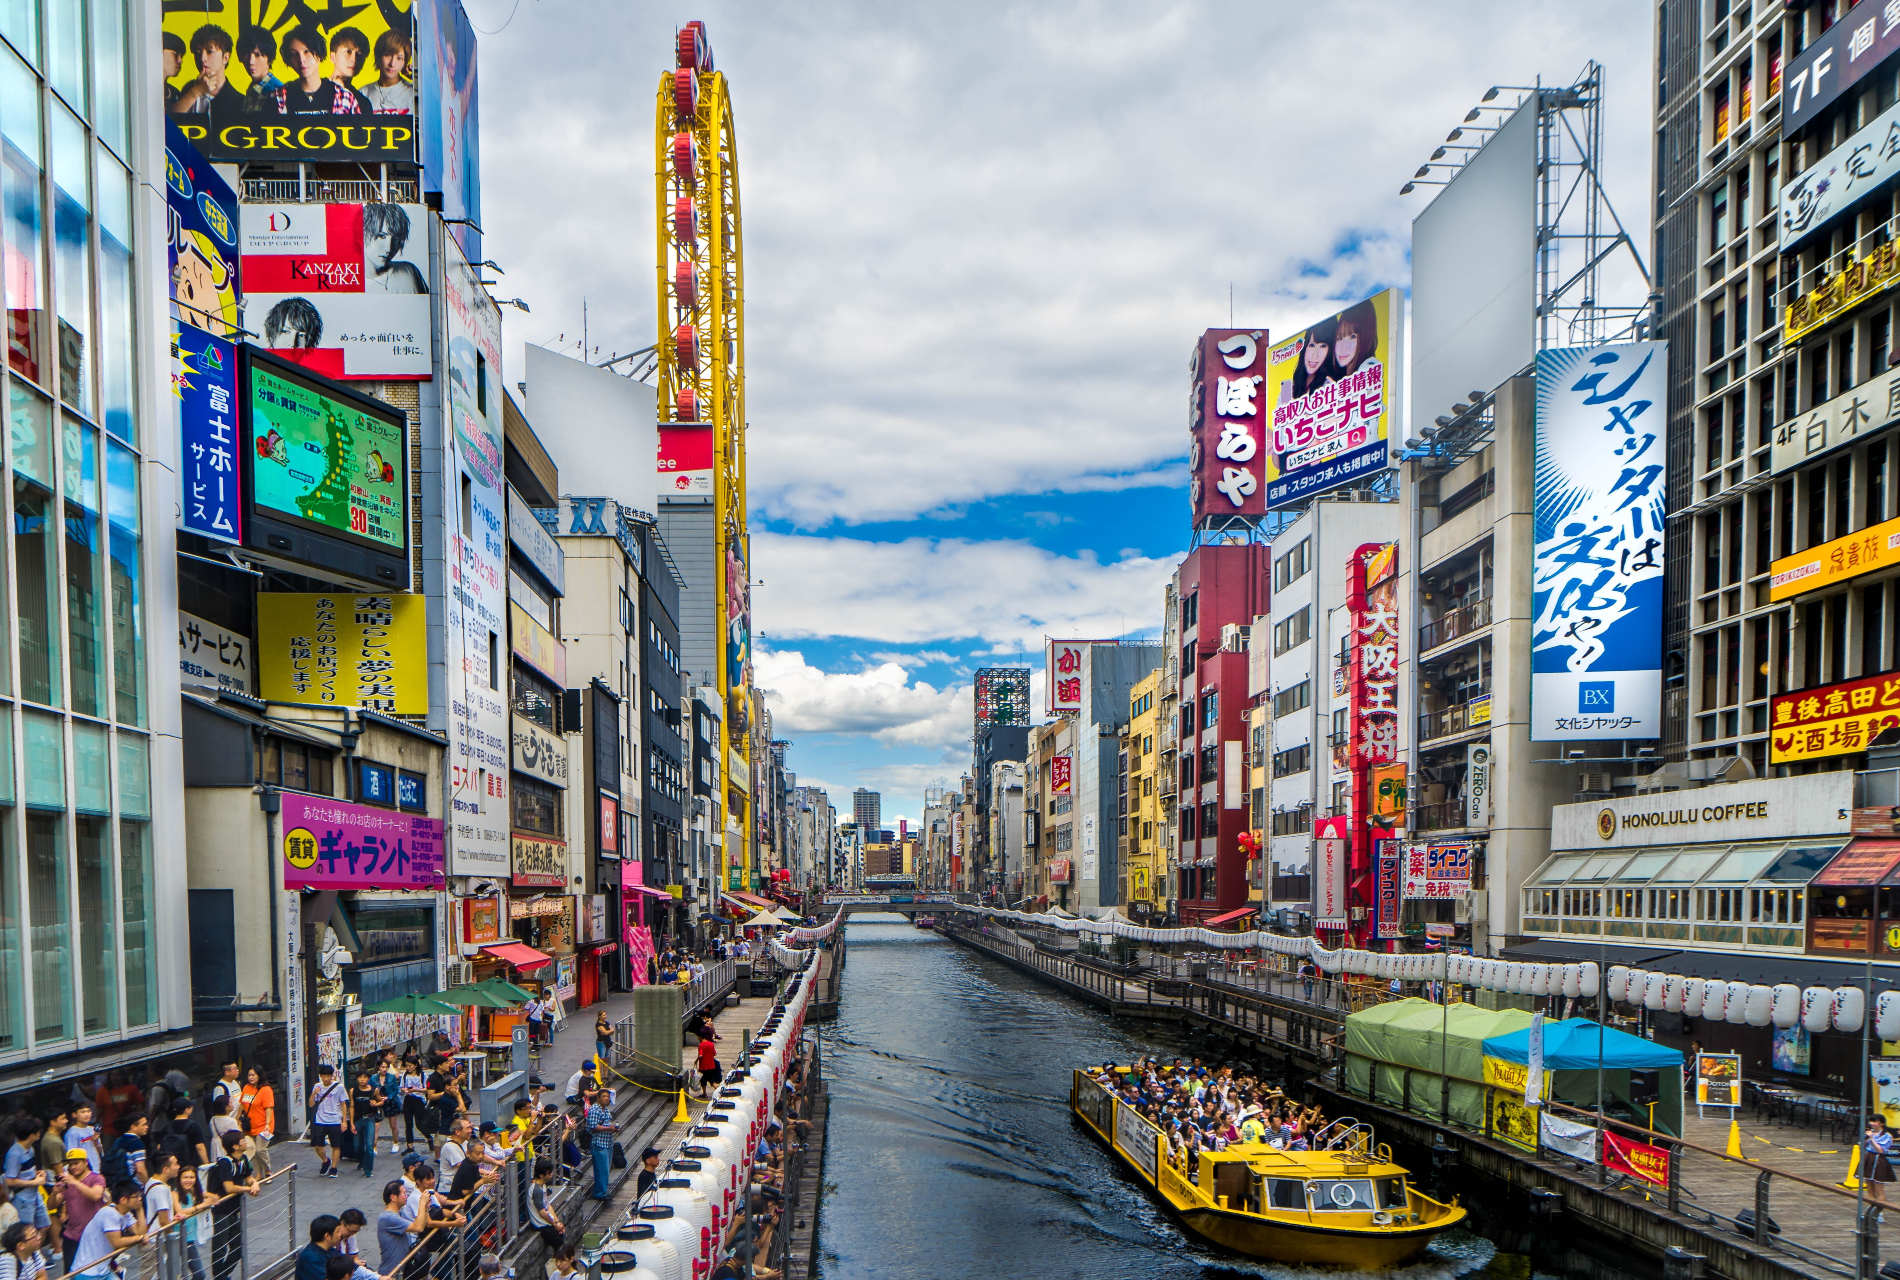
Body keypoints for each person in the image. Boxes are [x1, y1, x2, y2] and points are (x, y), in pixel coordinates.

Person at [266, 27, 365, 116]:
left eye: (307, 52)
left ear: (319, 54)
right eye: (293, 54)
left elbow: (358, 134)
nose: (301, 60)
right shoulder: (278, 97)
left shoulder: (344, 97)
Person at [205, 1132, 256, 1280]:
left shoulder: (243, 1159)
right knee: (219, 1247)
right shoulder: (225, 1163)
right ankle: (219, 1276)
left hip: (234, 1208)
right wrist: (248, 1189)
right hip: (221, 1209)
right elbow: (229, 1187)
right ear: (235, 1146)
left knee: (238, 1246)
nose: (246, 1142)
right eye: (242, 1141)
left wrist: (254, 1184)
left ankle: (222, 1274)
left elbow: (249, 1177)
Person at [70, 1181, 143, 1280]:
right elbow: (117, 1242)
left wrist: (140, 1209)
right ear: (124, 1200)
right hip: (87, 1272)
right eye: (136, 1196)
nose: (140, 1198)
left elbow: (141, 1231)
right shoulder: (109, 1213)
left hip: (103, 1270)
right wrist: (138, 1238)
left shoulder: (126, 1214)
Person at [173, 26, 242, 115]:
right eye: (198, 53)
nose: (202, 58)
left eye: (210, 52)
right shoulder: (189, 89)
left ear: (225, 58)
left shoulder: (238, 101)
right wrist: (195, 92)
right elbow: (169, 122)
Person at [56, 1149, 105, 1273]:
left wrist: (74, 1182)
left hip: (94, 1236)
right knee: (70, 1273)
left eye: (76, 1163)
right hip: (72, 1236)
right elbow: (53, 1204)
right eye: (70, 1164)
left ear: (86, 1162)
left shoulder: (96, 1179)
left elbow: (96, 1195)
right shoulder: (67, 1182)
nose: (72, 1167)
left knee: (96, 1272)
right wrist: (54, 1192)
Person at [3, 1118, 48, 1239]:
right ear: (32, 1135)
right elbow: (9, 1180)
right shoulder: (14, 1154)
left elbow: (27, 1171)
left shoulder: (30, 1149)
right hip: (23, 1199)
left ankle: (36, 1252)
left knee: (45, 1225)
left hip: (35, 1194)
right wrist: (35, 1182)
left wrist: (38, 1174)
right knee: (27, 1232)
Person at [363, 29, 414, 115]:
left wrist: (416, 80)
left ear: (405, 62)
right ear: (378, 56)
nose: (392, 64)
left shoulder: (412, 92)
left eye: (399, 58)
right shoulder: (364, 92)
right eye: (387, 55)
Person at [174, 1164, 212, 1280]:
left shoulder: (192, 1192)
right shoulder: (175, 1193)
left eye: (192, 1177)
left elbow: (211, 1196)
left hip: (190, 1237)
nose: (188, 1180)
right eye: (185, 1177)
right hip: (180, 1237)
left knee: (184, 1273)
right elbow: (180, 1211)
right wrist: (201, 1206)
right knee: (198, 1273)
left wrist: (212, 1199)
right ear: (179, 1178)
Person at [237, 1068, 275, 1180]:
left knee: (260, 1149)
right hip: (249, 1125)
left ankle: (268, 1170)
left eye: (253, 1075)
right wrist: (238, 1118)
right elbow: (241, 1104)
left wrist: (267, 1124)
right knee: (252, 1150)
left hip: (264, 1126)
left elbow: (269, 1108)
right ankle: (259, 1173)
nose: (250, 1077)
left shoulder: (266, 1090)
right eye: (249, 1075)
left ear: (259, 1076)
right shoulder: (246, 1088)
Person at [325, 28, 374, 113]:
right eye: (348, 51)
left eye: (359, 54)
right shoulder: (316, 90)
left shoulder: (363, 102)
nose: (354, 59)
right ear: (333, 57)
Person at [236, 28, 281, 113]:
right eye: (247, 54)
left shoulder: (277, 91)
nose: (250, 61)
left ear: (269, 58)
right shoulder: (252, 89)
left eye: (257, 55)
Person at [584, 1089, 617, 1200]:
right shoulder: (594, 1109)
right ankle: (599, 1193)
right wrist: (609, 1128)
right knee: (601, 1170)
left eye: (607, 1096)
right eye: (604, 1096)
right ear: (598, 1098)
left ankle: (603, 1191)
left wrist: (612, 1129)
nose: (606, 1098)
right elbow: (593, 1126)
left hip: (607, 1143)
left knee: (605, 1170)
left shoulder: (606, 1110)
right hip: (598, 1144)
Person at [374, 1180, 413, 1276]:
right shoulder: (388, 1217)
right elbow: (418, 1227)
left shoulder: (399, 1213)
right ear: (393, 1197)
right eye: (404, 1193)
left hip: (400, 1271)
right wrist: (423, 1205)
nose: (406, 1196)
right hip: (391, 1273)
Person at [351, 1072, 384, 1178]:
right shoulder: (353, 1091)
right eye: (360, 1077)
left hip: (370, 1118)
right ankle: (362, 1160)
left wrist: (376, 1104)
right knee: (357, 1146)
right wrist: (351, 1123)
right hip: (357, 1119)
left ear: (368, 1079)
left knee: (369, 1145)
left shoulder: (374, 1090)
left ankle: (368, 1169)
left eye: (365, 1077)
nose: (362, 1079)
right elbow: (351, 1107)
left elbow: (381, 1101)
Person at [525, 1159, 563, 1249]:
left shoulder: (543, 1186)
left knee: (561, 1237)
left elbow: (548, 1205)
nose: (551, 1174)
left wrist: (557, 1222)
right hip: (541, 1225)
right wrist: (555, 1225)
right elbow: (542, 1212)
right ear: (541, 1175)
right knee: (560, 1245)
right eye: (549, 1173)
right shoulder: (537, 1190)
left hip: (547, 1222)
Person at [1865, 1115, 1896, 1215]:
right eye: (1872, 1121)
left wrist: (1871, 1138)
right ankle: (1870, 1211)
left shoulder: (1887, 1135)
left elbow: (1880, 1150)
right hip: (1868, 1158)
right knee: (1869, 1189)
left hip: (1879, 1160)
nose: (1873, 1123)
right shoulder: (1872, 1133)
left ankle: (1879, 1213)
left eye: (1876, 1121)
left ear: (1882, 1123)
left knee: (1879, 1190)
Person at [105, 1116, 147, 1186]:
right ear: (133, 1127)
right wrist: (146, 1185)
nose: (147, 1127)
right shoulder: (137, 1144)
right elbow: (140, 1170)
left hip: (117, 1184)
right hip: (133, 1185)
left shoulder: (118, 1140)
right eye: (144, 1124)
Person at [66, 1107, 100, 1175]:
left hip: (96, 1167)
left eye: (88, 1111)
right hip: (84, 1171)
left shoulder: (92, 1129)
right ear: (74, 1114)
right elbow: (72, 1155)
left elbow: (99, 1151)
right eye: (83, 1112)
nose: (87, 1114)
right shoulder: (72, 1133)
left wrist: (96, 1141)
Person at [696, 1035, 721, 1100]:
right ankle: (719, 1092)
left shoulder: (701, 1045)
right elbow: (715, 1054)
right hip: (712, 1065)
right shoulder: (711, 1044)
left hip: (703, 1066)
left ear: (701, 1037)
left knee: (703, 1080)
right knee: (712, 1079)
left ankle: (704, 1094)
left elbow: (701, 1055)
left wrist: (696, 1060)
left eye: (698, 1037)